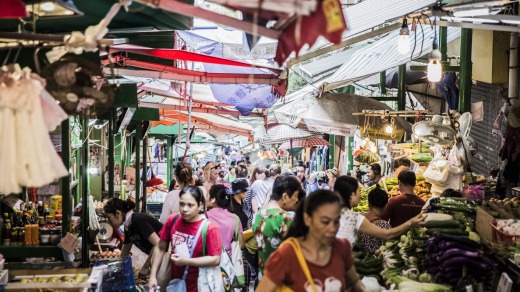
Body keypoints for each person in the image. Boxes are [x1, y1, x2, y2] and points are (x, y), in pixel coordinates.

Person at [256, 190, 365, 292]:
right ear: (307, 219)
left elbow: (355, 282)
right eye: (325, 222)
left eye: (336, 221)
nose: (333, 228)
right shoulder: (287, 254)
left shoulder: (342, 247)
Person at [148, 186, 222, 292]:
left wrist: (187, 261)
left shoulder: (209, 228)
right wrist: (153, 276)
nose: (184, 209)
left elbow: (216, 259)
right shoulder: (172, 220)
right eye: (182, 204)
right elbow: (160, 247)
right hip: (175, 285)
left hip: (200, 286)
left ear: (200, 206)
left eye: (190, 205)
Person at [334, 175, 424, 247]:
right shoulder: (353, 218)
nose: (360, 195)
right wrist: (410, 222)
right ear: (352, 194)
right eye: (359, 191)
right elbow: (386, 234)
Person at [252, 175, 302, 280]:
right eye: (296, 195)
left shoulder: (260, 214)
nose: (297, 200)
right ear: (285, 197)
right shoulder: (282, 218)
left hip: (264, 277)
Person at [104, 198, 162, 278]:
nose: (108, 221)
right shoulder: (128, 226)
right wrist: (112, 268)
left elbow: (159, 244)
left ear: (118, 213)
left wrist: (145, 267)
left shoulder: (138, 220)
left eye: (109, 217)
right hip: (160, 260)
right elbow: (125, 253)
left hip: (169, 258)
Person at [206, 185, 244, 256]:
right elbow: (241, 244)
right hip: (229, 263)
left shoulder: (205, 217)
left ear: (213, 199)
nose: (205, 198)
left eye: (207, 196)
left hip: (209, 261)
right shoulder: (235, 218)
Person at [360, 186, 392, 253]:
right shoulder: (384, 225)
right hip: (375, 261)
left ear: (369, 203)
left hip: (359, 261)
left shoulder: (358, 218)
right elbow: (389, 248)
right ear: (386, 205)